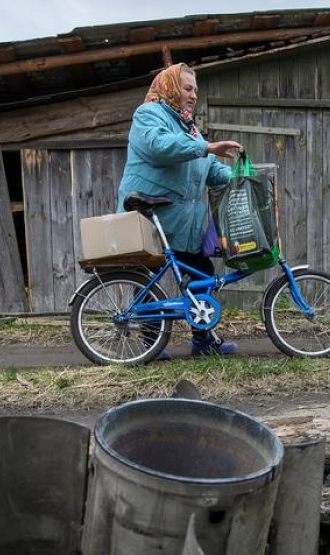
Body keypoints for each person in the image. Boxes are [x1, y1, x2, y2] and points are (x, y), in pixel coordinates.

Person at [118, 63, 243, 358]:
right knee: (146, 277)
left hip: (182, 219)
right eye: (187, 88)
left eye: (196, 90)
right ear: (171, 87)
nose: (193, 95)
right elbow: (159, 146)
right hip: (151, 212)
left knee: (202, 272)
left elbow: (209, 169)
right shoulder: (148, 114)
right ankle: (150, 346)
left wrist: (241, 178)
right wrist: (206, 147)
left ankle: (204, 341)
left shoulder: (189, 127)